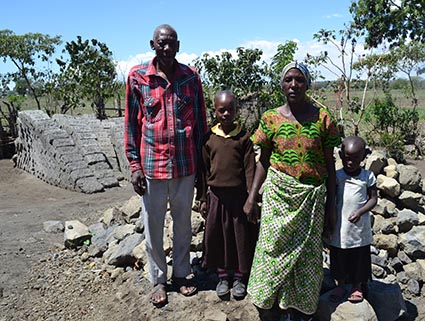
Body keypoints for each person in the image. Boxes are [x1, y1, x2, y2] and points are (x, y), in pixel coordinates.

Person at [243, 62, 341, 321]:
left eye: (299, 80)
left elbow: (330, 165)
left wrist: (332, 206)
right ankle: (270, 304)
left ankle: (298, 310)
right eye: (288, 80)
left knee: (307, 257)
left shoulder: (323, 119)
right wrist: (252, 197)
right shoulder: (271, 118)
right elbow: (262, 160)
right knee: (271, 249)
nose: (294, 85)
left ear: (307, 84)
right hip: (278, 197)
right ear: (281, 84)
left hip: (311, 199)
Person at [124, 24, 208, 307]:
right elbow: (131, 126)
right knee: (153, 226)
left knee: (183, 224)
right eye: (162, 43)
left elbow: (201, 125)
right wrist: (135, 166)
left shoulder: (191, 78)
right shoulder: (138, 78)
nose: (167, 48)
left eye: (172, 43)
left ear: (179, 45)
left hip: (186, 166)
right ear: (153, 45)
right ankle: (158, 278)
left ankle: (182, 274)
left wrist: (202, 172)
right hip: (152, 167)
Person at [198, 90, 258, 300]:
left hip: (239, 198)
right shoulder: (209, 139)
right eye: (221, 110)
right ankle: (223, 276)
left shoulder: (243, 138)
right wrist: (203, 198)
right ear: (215, 111)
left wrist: (252, 198)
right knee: (219, 237)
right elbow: (204, 172)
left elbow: (250, 169)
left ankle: (240, 277)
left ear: (236, 111)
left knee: (240, 237)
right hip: (217, 197)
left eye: (230, 110)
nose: (226, 114)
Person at [327, 136, 378, 304]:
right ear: (341, 156)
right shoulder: (337, 176)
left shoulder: (367, 176)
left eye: (355, 159)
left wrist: (360, 211)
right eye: (347, 158)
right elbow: (331, 199)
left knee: (359, 256)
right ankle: (341, 285)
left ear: (363, 157)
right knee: (339, 255)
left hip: (359, 227)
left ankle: (357, 286)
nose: (350, 162)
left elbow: (373, 199)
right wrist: (329, 221)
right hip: (341, 226)